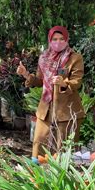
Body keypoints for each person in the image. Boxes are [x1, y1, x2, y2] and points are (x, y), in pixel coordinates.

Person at [17, 26, 85, 158]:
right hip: (45, 110)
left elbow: (77, 82)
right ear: (49, 40)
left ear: (67, 40)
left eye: (61, 39)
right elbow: (40, 81)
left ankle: (62, 178)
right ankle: (38, 177)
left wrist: (63, 83)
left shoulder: (75, 58)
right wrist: (25, 74)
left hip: (66, 112)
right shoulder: (44, 58)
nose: (58, 42)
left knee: (63, 150)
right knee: (39, 144)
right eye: (54, 39)